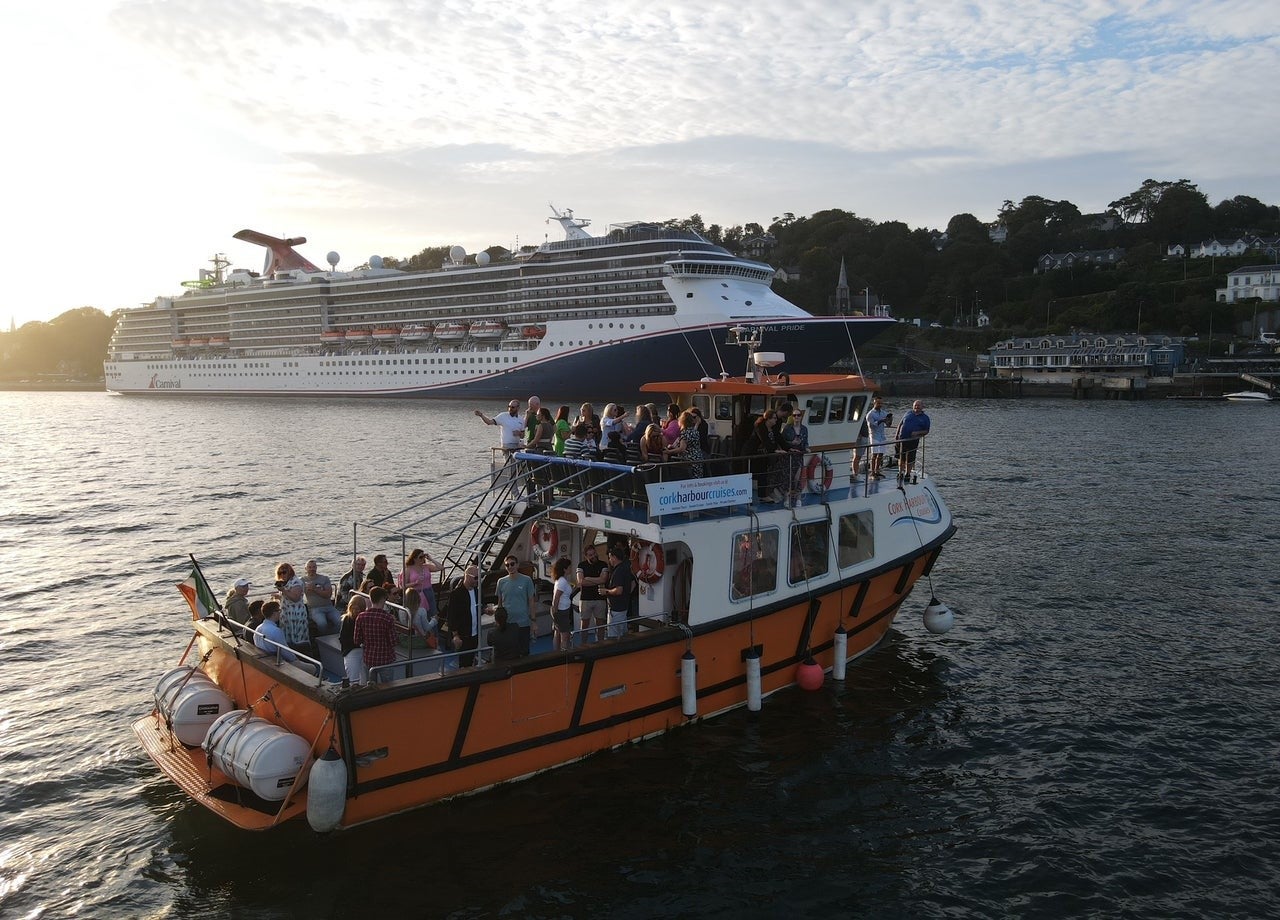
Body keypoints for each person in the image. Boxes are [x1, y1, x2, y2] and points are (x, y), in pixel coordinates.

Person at [354, 586, 398, 683]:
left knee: (370, 688)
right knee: (388, 688)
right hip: (386, 659)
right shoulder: (388, 618)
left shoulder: (361, 617)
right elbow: (393, 642)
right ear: (382, 599)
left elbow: (357, 640)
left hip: (369, 658)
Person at [496, 554, 537, 656]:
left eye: (512, 564)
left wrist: (533, 621)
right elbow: (500, 603)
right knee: (510, 652)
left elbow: (531, 601)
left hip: (523, 623)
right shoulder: (501, 582)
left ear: (517, 565)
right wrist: (497, 621)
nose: (510, 567)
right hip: (507, 623)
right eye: (507, 565)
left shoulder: (527, 580)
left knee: (524, 651)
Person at [743, 410, 786, 502]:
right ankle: (744, 496)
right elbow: (764, 440)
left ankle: (762, 496)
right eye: (774, 418)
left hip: (762, 454)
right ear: (768, 419)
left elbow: (780, 439)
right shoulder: (760, 427)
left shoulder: (773, 429)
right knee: (748, 473)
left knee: (763, 473)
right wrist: (774, 450)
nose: (776, 420)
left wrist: (789, 449)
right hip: (751, 453)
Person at [447, 564, 481, 667]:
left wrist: (485, 610)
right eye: (476, 578)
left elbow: (477, 608)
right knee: (464, 662)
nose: (477, 580)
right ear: (468, 576)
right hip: (464, 635)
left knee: (471, 658)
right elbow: (451, 616)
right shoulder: (456, 594)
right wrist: (455, 635)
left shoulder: (477, 591)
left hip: (475, 634)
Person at [576, 543, 609, 644]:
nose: (593, 556)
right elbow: (581, 581)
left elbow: (603, 579)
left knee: (600, 624)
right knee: (584, 625)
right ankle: (583, 644)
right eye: (590, 555)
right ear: (586, 556)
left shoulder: (603, 564)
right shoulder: (581, 565)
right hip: (586, 599)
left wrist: (588, 579)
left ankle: (600, 644)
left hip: (600, 599)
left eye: (594, 553)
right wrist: (597, 580)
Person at [398, 548, 442, 618]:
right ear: (414, 558)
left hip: (429, 591)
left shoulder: (426, 567)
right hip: (415, 593)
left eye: (423, 556)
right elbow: (402, 585)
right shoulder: (408, 569)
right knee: (420, 614)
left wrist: (431, 559)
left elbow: (440, 567)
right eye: (420, 557)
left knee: (433, 613)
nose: (422, 559)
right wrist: (414, 583)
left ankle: (432, 627)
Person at [302, 559, 341, 636]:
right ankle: (323, 639)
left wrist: (314, 589)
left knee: (340, 621)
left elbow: (328, 595)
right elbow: (298, 594)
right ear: (306, 569)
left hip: (329, 607)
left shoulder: (324, 579)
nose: (312, 569)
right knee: (322, 623)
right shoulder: (302, 580)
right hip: (315, 609)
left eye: (314, 567)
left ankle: (332, 636)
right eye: (309, 567)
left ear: (316, 568)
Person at [603, 546, 634, 639]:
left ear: (614, 557)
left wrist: (606, 591)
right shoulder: (626, 568)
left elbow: (619, 590)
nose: (609, 560)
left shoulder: (618, 572)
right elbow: (633, 584)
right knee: (623, 633)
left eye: (610, 557)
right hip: (624, 607)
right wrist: (627, 594)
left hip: (616, 610)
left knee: (614, 635)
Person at [779, 407, 809, 503]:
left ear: (801, 417)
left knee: (798, 478)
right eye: (794, 415)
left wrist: (807, 448)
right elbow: (782, 441)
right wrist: (792, 443)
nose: (796, 417)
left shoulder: (804, 429)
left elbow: (806, 442)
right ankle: (787, 498)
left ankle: (798, 498)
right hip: (789, 455)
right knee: (788, 477)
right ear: (792, 417)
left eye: (798, 415)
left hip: (799, 455)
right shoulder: (787, 428)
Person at [665, 409, 705, 478]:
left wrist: (668, 452)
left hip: (688, 461)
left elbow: (682, 449)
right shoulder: (695, 431)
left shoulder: (685, 433)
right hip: (697, 458)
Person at [897, 400, 931, 482]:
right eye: (915, 405)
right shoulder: (908, 413)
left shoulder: (925, 418)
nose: (916, 407)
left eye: (918, 405)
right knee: (901, 457)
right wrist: (896, 435)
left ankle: (907, 474)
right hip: (901, 439)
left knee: (910, 458)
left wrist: (917, 433)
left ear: (922, 407)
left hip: (912, 441)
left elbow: (926, 431)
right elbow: (900, 424)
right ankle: (900, 472)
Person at [278, 576, 312, 653]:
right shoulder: (284, 583)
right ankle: (289, 650)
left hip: (296, 613)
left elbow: (295, 598)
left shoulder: (296, 582)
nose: (282, 574)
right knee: (288, 634)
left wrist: (283, 590)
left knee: (299, 635)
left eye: (284, 572)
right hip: (286, 613)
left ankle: (302, 652)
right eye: (280, 573)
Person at [339, 595, 368, 685]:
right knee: (353, 678)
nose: (356, 611)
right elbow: (343, 638)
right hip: (351, 651)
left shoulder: (365, 619)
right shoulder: (347, 620)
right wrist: (358, 644)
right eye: (354, 609)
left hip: (364, 651)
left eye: (358, 609)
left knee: (365, 679)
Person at [550, 557, 574, 651]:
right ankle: (564, 653)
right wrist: (556, 612)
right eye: (569, 567)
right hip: (561, 611)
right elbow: (556, 597)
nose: (570, 569)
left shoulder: (560, 580)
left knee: (558, 631)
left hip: (561, 610)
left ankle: (556, 652)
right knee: (565, 634)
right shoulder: (562, 582)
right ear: (565, 569)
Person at [867, 396, 891, 479]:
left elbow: (888, 424)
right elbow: (872, 425)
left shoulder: (883, 413)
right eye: (878, 403)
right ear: (874, 403)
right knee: (874, 454)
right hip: (874, 436)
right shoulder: (870, 414)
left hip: (882, 436)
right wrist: (881, 420)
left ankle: (877, 470)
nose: (880, 404)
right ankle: (872, 472)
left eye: (881, 403)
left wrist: (889, 419)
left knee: (881, 454)